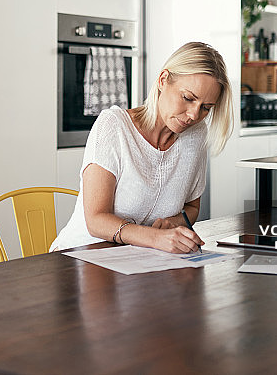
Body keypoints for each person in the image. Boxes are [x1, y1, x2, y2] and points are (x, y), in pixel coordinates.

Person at [50, 41, 233, 253]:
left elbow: (192, 208)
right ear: (163, 80)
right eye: (188, 98)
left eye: (206, 108)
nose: (194, 115)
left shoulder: (196, 134)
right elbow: (96, 220)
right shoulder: (113, 126)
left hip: (139, 259)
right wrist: (154, 237)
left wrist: (173, 223)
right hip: (79, 256)